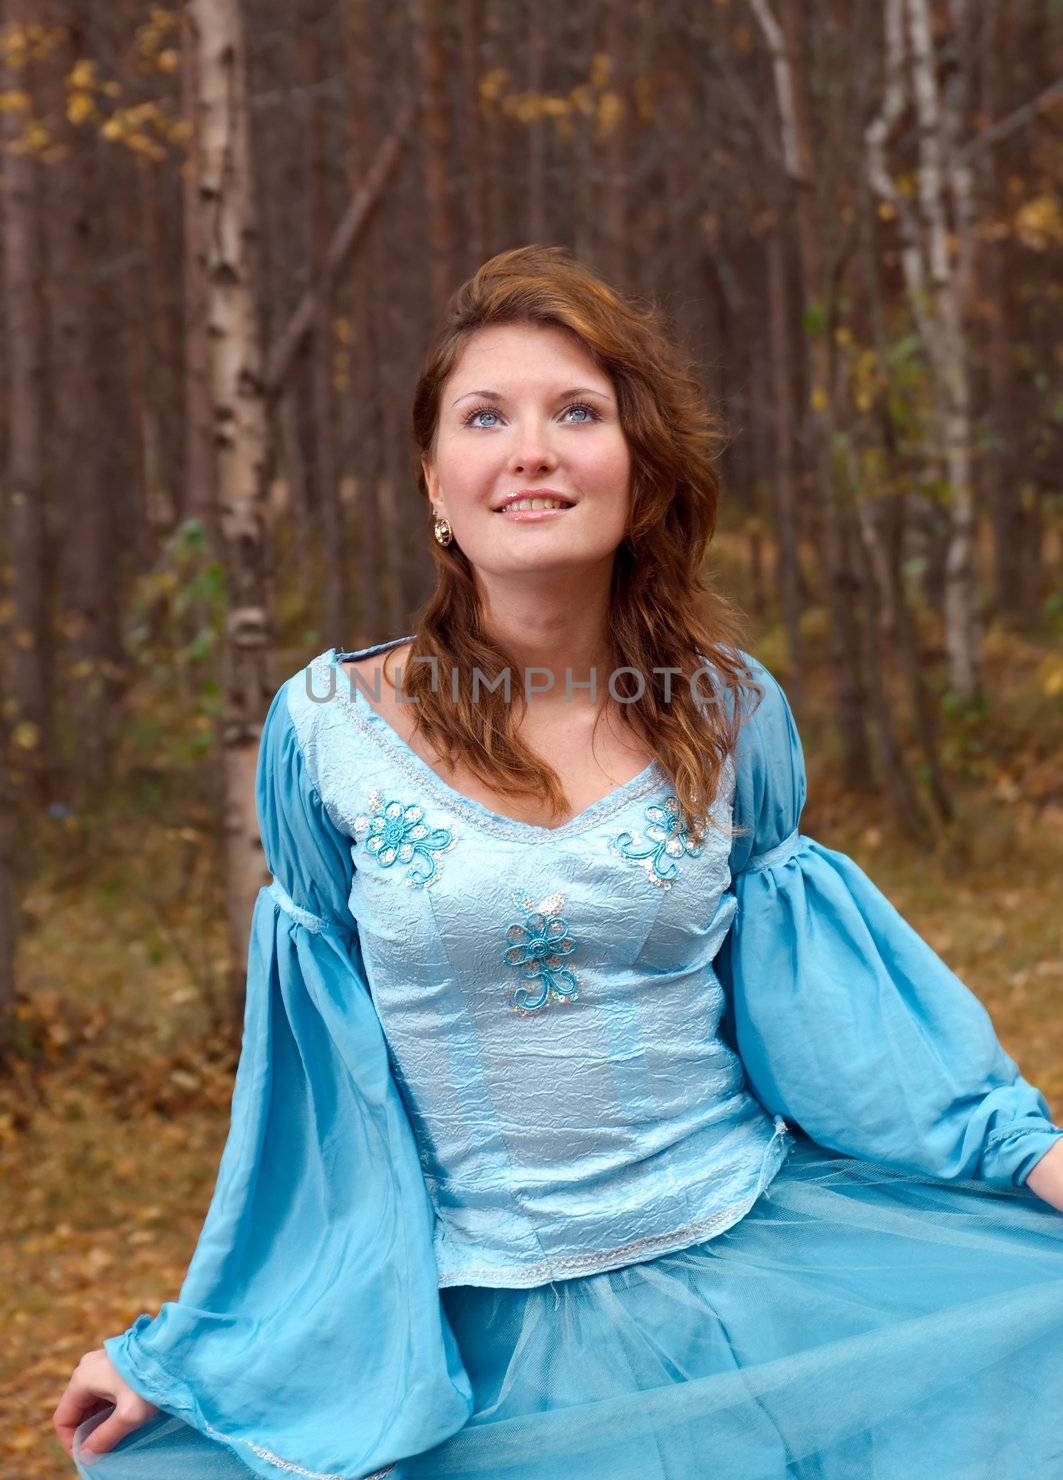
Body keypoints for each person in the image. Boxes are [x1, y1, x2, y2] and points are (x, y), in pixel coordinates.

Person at [54, 246, 1063, 1480]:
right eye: (487, 417)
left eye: (575, 413)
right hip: (485, 1340)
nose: (530, 449)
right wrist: (195, 1347)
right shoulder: (325, 738)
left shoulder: (728, 715)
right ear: (436, 481)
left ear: (636, 476)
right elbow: (317, 1097)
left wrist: (1027, 1151)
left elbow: (837, 1013)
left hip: (756, 1277)